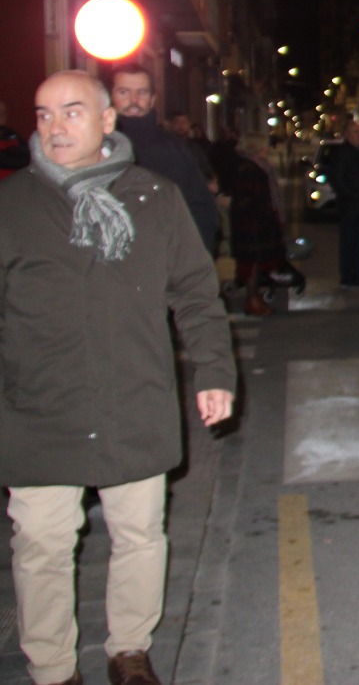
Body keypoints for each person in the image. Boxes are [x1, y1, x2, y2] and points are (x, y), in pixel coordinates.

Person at [1, 70, 235, 685]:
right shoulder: (13, 204)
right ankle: (53, 667)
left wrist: (214, 371)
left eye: (72, 111)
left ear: (108, 120)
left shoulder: (153, 197)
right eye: (43, 113)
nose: (54, 126)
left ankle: (130, 649)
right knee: (42, 545)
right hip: (39, 406)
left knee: (140, 533)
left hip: (134, 395)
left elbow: (195, 292)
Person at [110, 67, 218, 255]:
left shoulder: (175, 151)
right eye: (124, 92)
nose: (133, 100)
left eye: (141, 92)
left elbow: (200, 209)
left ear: (152, 99)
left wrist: (192, 261)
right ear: (111, 97)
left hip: (162, 261)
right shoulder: (95, 149)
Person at [229, 133, 286, 317]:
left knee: (257, 263)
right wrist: (264, 214)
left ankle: (255, 298)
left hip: (258, 222)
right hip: (252, 224)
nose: (267, 148)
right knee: (251, 264)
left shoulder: (257, 166)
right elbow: (249, 199)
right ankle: (252, 300)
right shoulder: (249, 168)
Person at [327, 120, 359, 288]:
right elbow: (337, 179)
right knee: (349, 241)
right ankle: (348, 276)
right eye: (356, 132)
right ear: (347, 135)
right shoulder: (343, 153)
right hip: (350, 205)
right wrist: (352, 195)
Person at [0, 97, 29, 182]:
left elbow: (28, 157)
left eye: (3, 113)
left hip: (16, 182)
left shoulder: (10, 134)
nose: (2, 116)